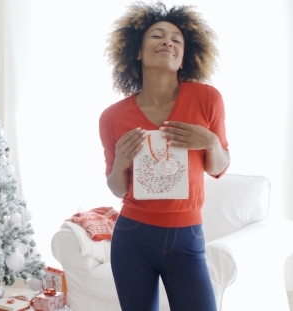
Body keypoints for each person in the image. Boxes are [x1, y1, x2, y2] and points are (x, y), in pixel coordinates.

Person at [98, 2, 230, 311]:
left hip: (187, 237)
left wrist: (210, 142)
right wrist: (120, 163)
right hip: (133, 237)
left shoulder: (207, 99)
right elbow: (117, 188)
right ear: (138, 52)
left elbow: (218, 167)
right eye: (156, 35)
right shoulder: (112, 117)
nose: (167, 41)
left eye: (176, 39)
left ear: (185, 57)